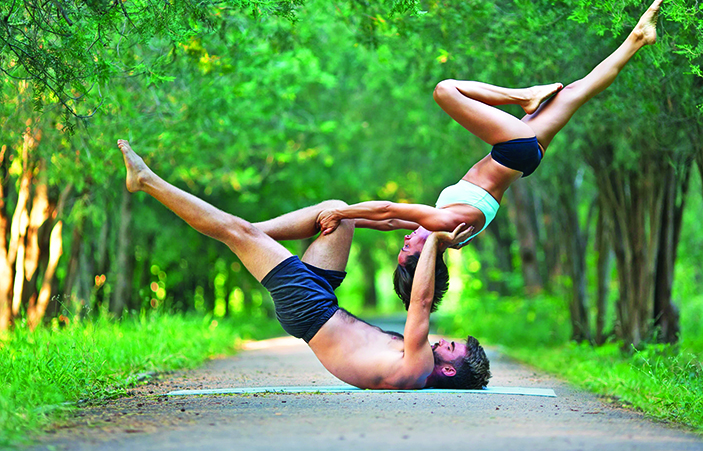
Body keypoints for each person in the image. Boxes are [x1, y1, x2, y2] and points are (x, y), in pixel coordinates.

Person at [317, 0, 664, 312]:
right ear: (423, 257)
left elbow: (389, 221)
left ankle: (637, 38)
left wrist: (341, 221)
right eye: (407, 248)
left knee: (577, 91)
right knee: (445, 91)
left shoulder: (442, 234)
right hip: (513, 151)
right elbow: (389, 208)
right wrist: (342, 211)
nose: (405, 239)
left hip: (525, 159)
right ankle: (524, 95)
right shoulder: (442, 225)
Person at [117, 140, 491, 390]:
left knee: (235, 230)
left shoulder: (417, 369)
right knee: (339, 213)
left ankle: (147, 181)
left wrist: (438, 243)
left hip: (309, 309)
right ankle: (249, 233)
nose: (444, 340)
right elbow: (388, 221)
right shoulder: (419, 362)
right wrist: (422, 227)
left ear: (448, 369)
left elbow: (420, 303)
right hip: (322, 301)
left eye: (452, 346)